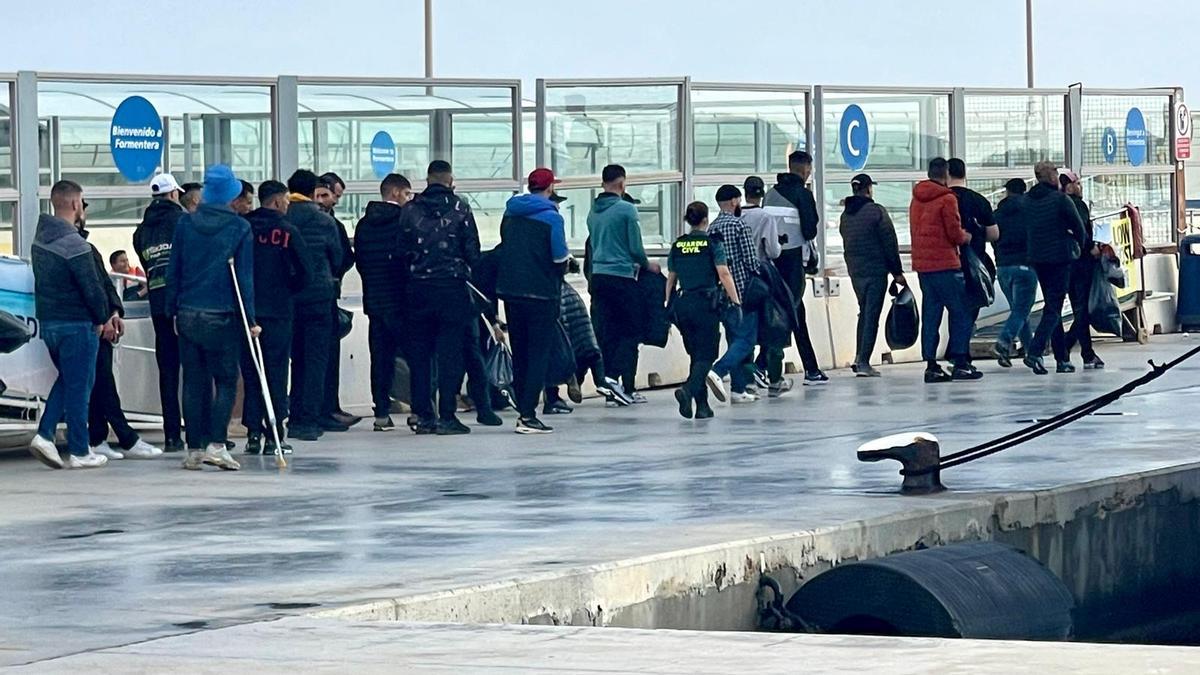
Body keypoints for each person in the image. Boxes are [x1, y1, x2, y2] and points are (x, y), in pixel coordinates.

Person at [165, 164, 256, 471]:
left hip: (188, 311)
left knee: (193, 381)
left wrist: (171, 309)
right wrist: (251, 319)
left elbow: (173, 269)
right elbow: (244, 279)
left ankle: (193, 449)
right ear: (231, 195)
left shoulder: (185, 224)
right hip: (223, 314)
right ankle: (216, 444)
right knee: (226, 380)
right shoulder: (240, 228)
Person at [27, 181, 112, 469]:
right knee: (79, 386)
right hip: (78, 324)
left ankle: (46, 434)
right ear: (76, 204)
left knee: (69, 379)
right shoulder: (76, 244)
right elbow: (92, 288)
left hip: (50, 323)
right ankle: (79, 449)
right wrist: (102, 318)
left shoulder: (39, 240)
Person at [398, 160, 481, 435]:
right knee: (450, 355)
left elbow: (400, 252)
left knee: (420, 356)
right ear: (450, 180)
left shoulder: (409, 210)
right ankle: (447, 415)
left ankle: (423, 416)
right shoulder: (461, 208)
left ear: (428, 179)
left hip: (417, 291)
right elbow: (473, 252)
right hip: (452, 289)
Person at [495, 168, 570, 434]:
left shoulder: (510, 212)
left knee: (522, 352)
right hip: (542, 293)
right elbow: (559, 257)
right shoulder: (552, 217)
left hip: (512, 291)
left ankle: (522, 406)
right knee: (539, 354)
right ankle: (528, 415)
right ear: (549, 188)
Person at [240, 180, 310, 455]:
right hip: (279, 311)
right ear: (278, 201)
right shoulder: (287, 230)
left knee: (252, 372)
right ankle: (274, 435)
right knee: (276, 373)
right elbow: (307, 271)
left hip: (249, 311)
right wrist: (288, 290)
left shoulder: (245, 228)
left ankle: (253, 433)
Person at [586, 164, 656, 401]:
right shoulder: (627, 210)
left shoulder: (593, 211)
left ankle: (609, 384)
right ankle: (622, 383)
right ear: (622, 183)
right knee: (630, 331)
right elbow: (635, 247)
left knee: (607, 333)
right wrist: (648, 265)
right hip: (622, 278)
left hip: (598, 278)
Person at [665, 202, 740, 420]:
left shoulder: (678, 245)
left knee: (696, 355)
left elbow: (671, 278)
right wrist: (735, 301)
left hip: (683, 304)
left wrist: (668, 304)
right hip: (706, 304)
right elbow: (724, 273)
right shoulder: (711, 243)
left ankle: (702, 406)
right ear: (705, 220)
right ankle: (688, 390)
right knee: (708, 355)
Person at [286, 169, 344, 440]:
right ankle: (308, 420)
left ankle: (293, 415)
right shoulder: (323, 221)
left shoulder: (283, 217)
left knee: (295, 360)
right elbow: (338, 256)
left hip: (288, 298)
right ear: (313, 191)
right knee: (316, 361)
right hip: (319, 297)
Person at [910, 157, 979, 383]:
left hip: (923, 266)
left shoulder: (916, 199)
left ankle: (931, 364)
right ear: (946, 175)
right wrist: (966, 236)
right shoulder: (948, 199)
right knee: (961, 311)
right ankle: (960, 361)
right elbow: (954, 233)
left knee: (931, 314)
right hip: (946, 264)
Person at [763, 151, 828, 385]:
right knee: (791, 312)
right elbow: (810, 230)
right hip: (793, 262)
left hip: (771, 261)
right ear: (806, 169)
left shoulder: (770, 194)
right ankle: (766, 367)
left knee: (788, 312)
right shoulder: (803, 194)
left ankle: (810, 368)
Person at [133, 172, 186, 452]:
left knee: (167, 371)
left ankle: (171, 436)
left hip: (157, 303)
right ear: (174, 194)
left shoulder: (141, 231)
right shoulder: (182, 221)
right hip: (182, 302)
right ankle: (200, 432)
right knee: (193, 369)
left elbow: (145, 261)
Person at [354, 173, 412, 432]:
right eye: (407, 194)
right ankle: (419, 410)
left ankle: (381, 413)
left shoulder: (364, 224)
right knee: (415, 356)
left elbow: (361, 262)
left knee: (380, 358)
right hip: (401, 300)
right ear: (397, 193)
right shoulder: (404, 221)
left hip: (375, 301)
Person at [1022, 161, 1086, 375]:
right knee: (1053, 308)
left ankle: (1062, 358)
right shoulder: (1061, 200)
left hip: (1038, 259)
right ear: (1050, 176)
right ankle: (1035, 350)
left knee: (1052, 307)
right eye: (1056, 173)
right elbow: (1079, 229)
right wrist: (1080, 246)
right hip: (1060, 259)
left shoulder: (1027, 201)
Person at [839, 173, 906, 376]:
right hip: (875, 271)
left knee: (864, 312)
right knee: (871, 315)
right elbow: (889, 243)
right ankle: (864, 362)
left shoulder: (846, 216)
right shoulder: (877, 212)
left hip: (855, 271)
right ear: (868, 189)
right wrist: (897, 272)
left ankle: (860, 357)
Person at [708, 185, 760, 403]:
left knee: (734, 340)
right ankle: (718, 371)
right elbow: (751, 260)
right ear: (733, 202)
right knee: (746, 340)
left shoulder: (711, 228)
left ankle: (739, 390)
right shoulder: (739, 225)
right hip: (743, 292)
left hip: (720, 295)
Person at [741, 175, 792, 395]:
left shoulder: (735, 217)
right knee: (773, 327)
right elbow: (772, 251)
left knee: (745, 332)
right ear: (762, 194)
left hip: (738, 280)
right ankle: (774, 378)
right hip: (762, 279)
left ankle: (746, 379)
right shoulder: (765, 217)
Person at [318, 172, 360, 429]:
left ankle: (328, 407)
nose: (333, 200)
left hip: (318, 295)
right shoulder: (329, 225)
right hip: (324, 295)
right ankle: (326, 410)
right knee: (325, 357)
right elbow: (343, 257)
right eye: (332, 195)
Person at [948, 158, 999, 355]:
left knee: (953, 309)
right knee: (970, 309)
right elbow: (994, 234)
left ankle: (954, 350)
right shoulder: (978, 200)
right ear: (964, 174)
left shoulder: (942, 200)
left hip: (949, 262)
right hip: (975, 263)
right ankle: (961, 352)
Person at [1058, 170, 1104, 370]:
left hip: (1061, 263)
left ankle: (1072, 349)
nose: (1080, 187)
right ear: (1070, 185)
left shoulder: (1054, 204)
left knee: (1066, 309)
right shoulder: (1077, 205)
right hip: (1081, 263)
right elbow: (1081, 231)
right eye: (1078, 183)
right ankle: (1078, 350)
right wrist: (1092, 247)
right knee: (1082, 309)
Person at [991, 178, 1036, 367]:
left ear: (1007, 192)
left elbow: (992, 236)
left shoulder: (997, 214)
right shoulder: (1031, 212)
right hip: (1025, 266)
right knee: (1021, 310)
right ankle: (1004, 341)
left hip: (1002, 268)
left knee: (1019, 311)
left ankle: (1030, 351)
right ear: (1024, 191)